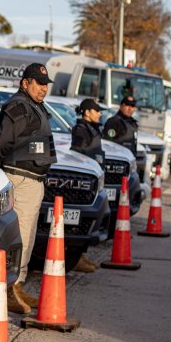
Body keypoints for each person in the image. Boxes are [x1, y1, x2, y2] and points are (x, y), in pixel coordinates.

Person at [0, 63, 57, 314]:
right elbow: (3, 143)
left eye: (45, 84)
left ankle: (17, 285)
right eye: (38, 83)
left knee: (28, 236)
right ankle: (9, 288)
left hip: (32, 180)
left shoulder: (34, 106)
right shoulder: (18, 106)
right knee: (20, 236)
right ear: (24, 83)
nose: (42, 88)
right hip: (20, 178)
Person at [69, 98, 105, 274]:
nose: (99, 113)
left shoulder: (92, 128)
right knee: (80, 223)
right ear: (87, 112)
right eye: (97, 110)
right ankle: (75, 259)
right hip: (84, 184)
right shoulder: (81, 130)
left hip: (94, 181)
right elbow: (77, 155)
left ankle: (81, 256)